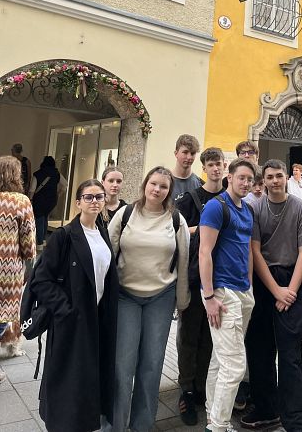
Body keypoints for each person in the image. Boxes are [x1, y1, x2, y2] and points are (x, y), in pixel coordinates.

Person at [105, 166, 190, 432]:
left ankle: (142, 424)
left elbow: (184, 262)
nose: (157, 189)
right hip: (125, 296)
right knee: (122, 366)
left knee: (152, 365)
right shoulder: (125, 214)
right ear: (145, 184)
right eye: (153, 183)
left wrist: (182, 301)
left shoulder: (176, 220)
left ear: (169, 191)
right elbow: (107, 254)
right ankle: (115, 424)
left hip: (160, 298)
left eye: (163, 186)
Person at [31, 179, 119, 432]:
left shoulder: (102, 233)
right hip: (71, 321)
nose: (94, 201)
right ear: (78, 202)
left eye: (99, 197)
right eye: (88, 197)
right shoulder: (64, 236)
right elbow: (41, 280)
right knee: (66, 379)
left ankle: (83, 424)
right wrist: (66, 311)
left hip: (96, 319)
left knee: (86, 378)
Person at [243, 160, 302, 432]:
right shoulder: (255, 208)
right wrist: (276, 291)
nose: (275, 181)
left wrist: (291, 291)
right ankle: (266, 409)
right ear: (263, 180)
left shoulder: (299, 208)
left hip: (291, 280)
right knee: (259, 351)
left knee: (290, 353)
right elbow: (254, 250)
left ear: (287, 178)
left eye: (279, 176)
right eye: (270, 176)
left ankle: (296, 418)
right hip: (264, 283)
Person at [199, 157, 256, 432]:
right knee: (234, 366)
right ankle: (218, 426)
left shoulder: (247, 209)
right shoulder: (216, 206)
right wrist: (210, 297)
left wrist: (250, 286)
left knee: (220, 360)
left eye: (250, 179)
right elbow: (204, 252)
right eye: (241, 177)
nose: (246, 183)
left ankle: (213, 416)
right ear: (229, 177)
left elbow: (246, 249)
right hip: (221, 292)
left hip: (243, 291)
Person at [176, 147, 225, 426]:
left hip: (221, 278)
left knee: (210, 336)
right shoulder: (190, 200)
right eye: (211, 164)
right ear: (204, 169)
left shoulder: (230, 197)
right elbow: (178, 232)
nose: (216, 169)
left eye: (219, 164)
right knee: (189, 336)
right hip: (195, 278)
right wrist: (206, 228)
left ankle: (203, 386)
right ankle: (186, 389)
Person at [0, 156, 36, 380]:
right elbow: (28, 242)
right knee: (4, 314)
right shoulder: (21, 201)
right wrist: (31, 258)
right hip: (8, 271)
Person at [29, 156, 66, 250]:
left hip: (39, 200)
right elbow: (65, 185)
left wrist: (30, 199)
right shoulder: (57, 173)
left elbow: (32, 189)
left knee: (39, 219)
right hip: (52, 200)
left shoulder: (37, 174)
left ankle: (40, 243)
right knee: (45, 217)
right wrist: (58, 194)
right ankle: (44, 240)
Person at [171, 134, 202, 203]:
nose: (189, 157)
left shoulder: (200, 184)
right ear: (176, 153)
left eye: (192, 153)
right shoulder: (165, 181)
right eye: (185, 152)